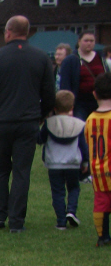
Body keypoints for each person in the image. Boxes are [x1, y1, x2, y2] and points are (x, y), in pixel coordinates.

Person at [0, 16, 56, 233]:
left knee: (0, 168)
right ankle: (17, 221)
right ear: (28, 32)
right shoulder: (41, 58)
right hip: (28, 121)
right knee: (21, 171)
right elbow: (49, 93)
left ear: (8, 32)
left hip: (2, 121)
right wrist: (41, 114)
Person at [38, 90, 87, 230]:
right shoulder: (78, 125)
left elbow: (40, 139)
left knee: (57, 192)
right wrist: (85, 162)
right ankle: (71, 211)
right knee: (73, 188)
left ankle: (60, 221)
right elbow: (83, 146)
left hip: (54, 163)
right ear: (72, 107)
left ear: (54, 108)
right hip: (73, 163)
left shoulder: (49, 124)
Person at [59, 32, 110, 124]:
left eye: (92, 41)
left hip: (99, 100)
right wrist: (68, 107)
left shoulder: (100, 58)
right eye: (86, 40)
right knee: (81, 127)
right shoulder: (70, 60)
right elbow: (65, 85)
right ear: (79, 42)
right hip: (79, 102)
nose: (89, 43)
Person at [84, 73, 111, 247]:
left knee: (101, 203)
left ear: (94, 94)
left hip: (97, 169)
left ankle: (103, 237)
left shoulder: (89, 120)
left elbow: (88, 142)